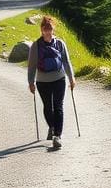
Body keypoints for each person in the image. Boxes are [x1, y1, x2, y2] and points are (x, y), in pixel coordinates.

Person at [27, 15, 75, 149]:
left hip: (59, 79)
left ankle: (57, 136)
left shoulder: (60, 43)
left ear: (53, 29)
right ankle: (52, 127)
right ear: (41, 30)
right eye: (45, 29)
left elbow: (66, 61)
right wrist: (31, 82)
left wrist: (72, 78)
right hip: (42, 81)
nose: (48, 32)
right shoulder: (35, 46)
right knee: (48, 107)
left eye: (50, 29)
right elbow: (31, 66)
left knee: (58, 106)